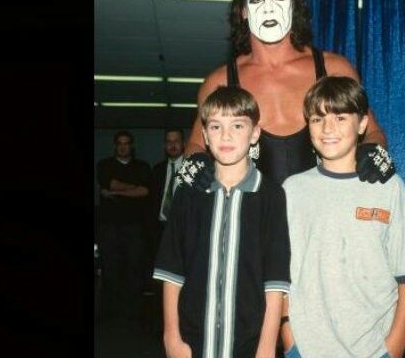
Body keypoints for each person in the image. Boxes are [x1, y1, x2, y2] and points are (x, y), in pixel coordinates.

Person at [178, 0, 395, 189]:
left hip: (320, 213)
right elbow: (195, 145)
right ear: (243, 10)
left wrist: (374, 151)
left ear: (294, 5)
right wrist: (195, 163)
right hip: (252, 216)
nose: (269, 8)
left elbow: (372, 130)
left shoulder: (334, 69)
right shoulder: (219, 82)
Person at [281, 77, 405, 358]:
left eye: (340, 117)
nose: (328, 128)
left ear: (362, 124)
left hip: (373, 349)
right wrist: (289, 336)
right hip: (305, 348)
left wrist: (396, 343)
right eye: (317, 119)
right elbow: (280, 271)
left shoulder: (388, 186)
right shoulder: (292, 189)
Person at [153, 86, 291, 358]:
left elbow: (275, 281)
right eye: (215, 126)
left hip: (249, 344)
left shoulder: (271, 195)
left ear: (254, 134)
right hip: (193, 343)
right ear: (204, 135)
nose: (226, 135)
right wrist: (172, 337)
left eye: (237, 125)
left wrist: (266, 347)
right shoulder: (188, 193)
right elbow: (171, 271)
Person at [96, 130, 152, 323]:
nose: (123, 146)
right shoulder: (104, 165)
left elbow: (144, 191)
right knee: (110, 269)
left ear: (132, 146)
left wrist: (116, 191)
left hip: (134, 227)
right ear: (114, 146)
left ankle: (132, 315)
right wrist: (132, 187)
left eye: (126, 143)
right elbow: (111, 182)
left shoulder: (142, 166)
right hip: (108, 227)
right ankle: (109, 314)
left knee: (134, 270)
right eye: (119, 143)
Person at [150, 128, 185, 272]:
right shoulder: (157, 169)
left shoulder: (191, 168)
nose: (173, 145)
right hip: (160, 228)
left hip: (183, 227)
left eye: (176, 141)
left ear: (183, 143)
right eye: (169, 142)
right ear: (164, 145)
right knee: (161, 269)